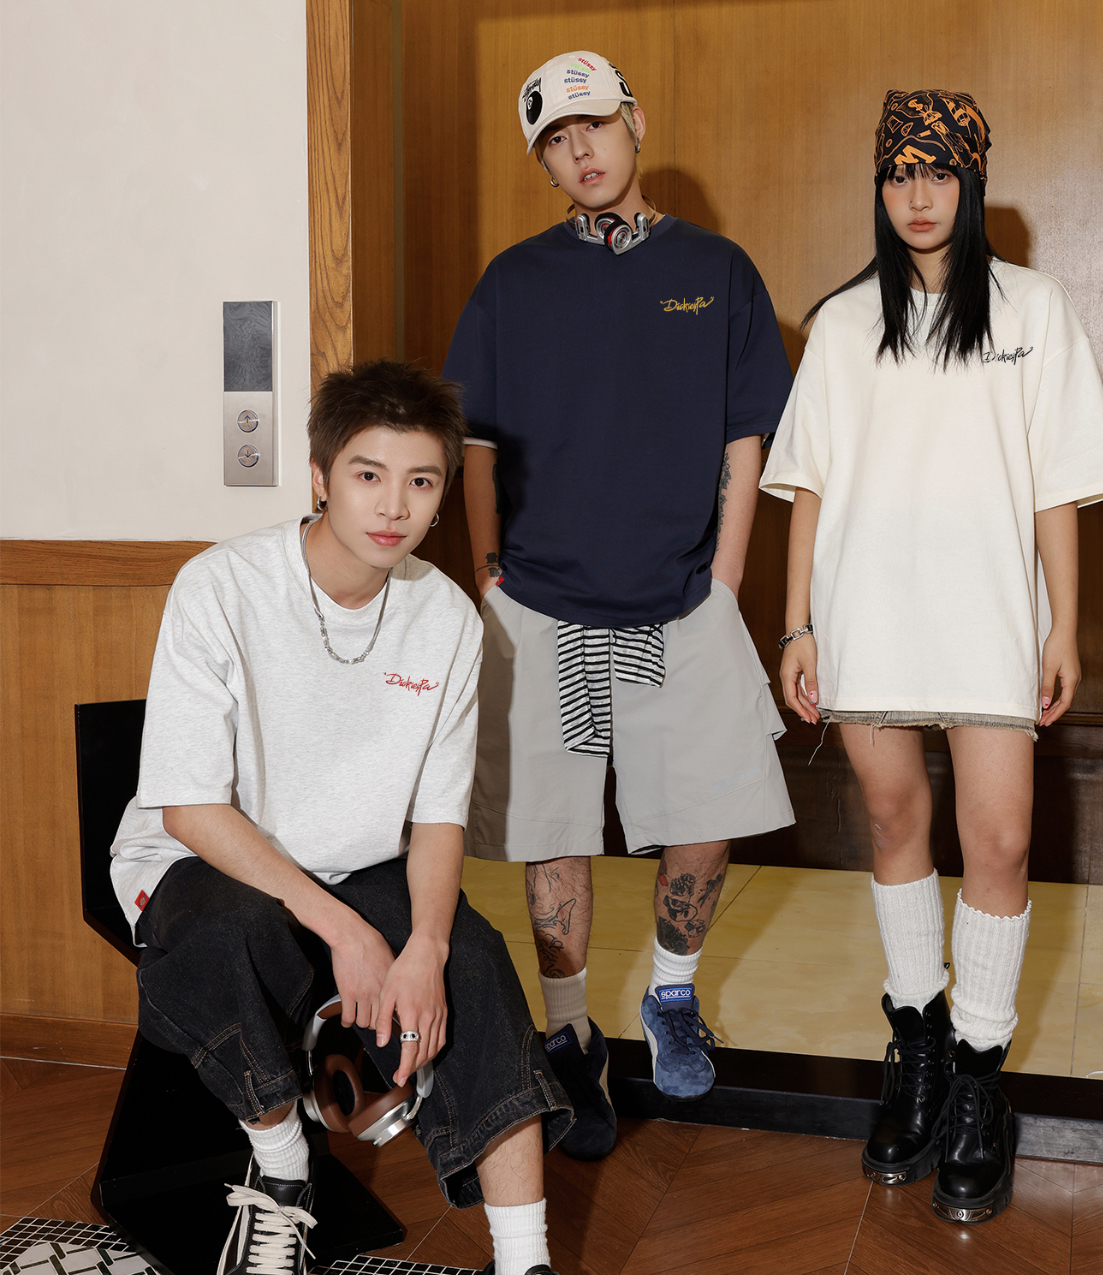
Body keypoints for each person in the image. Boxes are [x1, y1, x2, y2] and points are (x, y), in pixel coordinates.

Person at [110, 361, 571, 1275]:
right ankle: (286, 1171)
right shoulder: (221, 587)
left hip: (362, 862)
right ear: (320, 476)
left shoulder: (449, 619)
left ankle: (526, 1259)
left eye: (421, 481)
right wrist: (347, 931)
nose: (393, 505)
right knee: (231, 928)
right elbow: (191, 808)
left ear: (444, 494)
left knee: (473, 960)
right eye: (368, 474)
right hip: (205, 860)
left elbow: (438, 817)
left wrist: (426, 945)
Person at [761, 90, 1103, 1224]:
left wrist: (1063, 625)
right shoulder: (841, 323)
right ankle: (916, 1054)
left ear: (971, 181)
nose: (917, 194)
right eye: (898, 173)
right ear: (879, 187)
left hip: (989, 614)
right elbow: (806, 486)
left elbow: (1061, 483)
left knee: (1001, 838)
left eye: (938, 171)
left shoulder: (1035, 308)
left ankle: (978, 1079)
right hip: (866, 609)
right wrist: (797, 624)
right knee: (892, 822)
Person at [442, 50, 796, 1159]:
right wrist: (488, 571)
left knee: (705, 811)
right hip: (541, 600)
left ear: (634, 122)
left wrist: (727, 578)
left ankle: (673, 992)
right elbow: (475, 444)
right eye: (555, 140)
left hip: (683, 596)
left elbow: (747, 435)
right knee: (552, 831)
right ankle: (568, 1034)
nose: (580, 150)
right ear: (544, 161)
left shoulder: (717, 270)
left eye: (593, 124)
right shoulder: (512, 282)